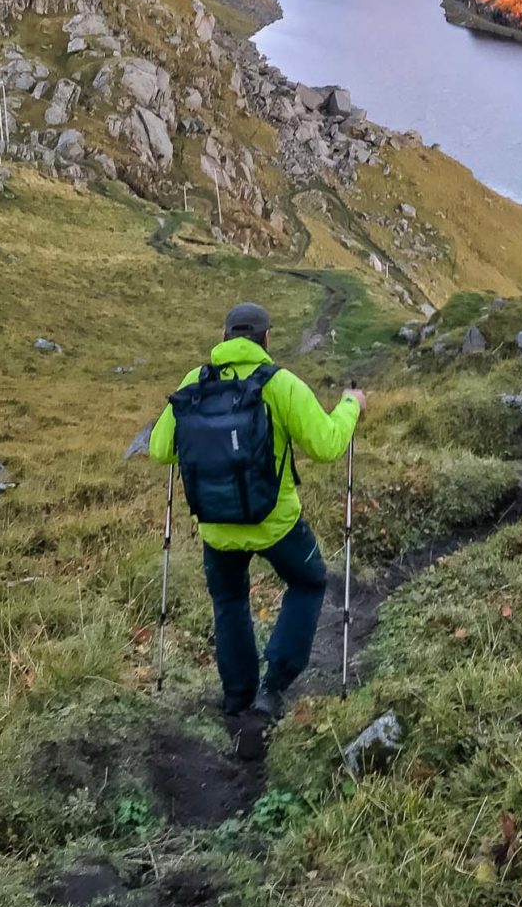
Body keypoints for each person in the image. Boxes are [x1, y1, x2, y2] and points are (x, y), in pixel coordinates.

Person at [149, 301, 365, 721]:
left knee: (229, 599)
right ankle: (273, 686)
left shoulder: (196, 381)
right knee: (309, 581)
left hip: (215, 526)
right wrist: (351, 404)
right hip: (275, 523)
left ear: (225, 337)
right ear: (266, 339)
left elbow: (160, 450)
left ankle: (236, 696)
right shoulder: (280, 384)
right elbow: (327, 445)